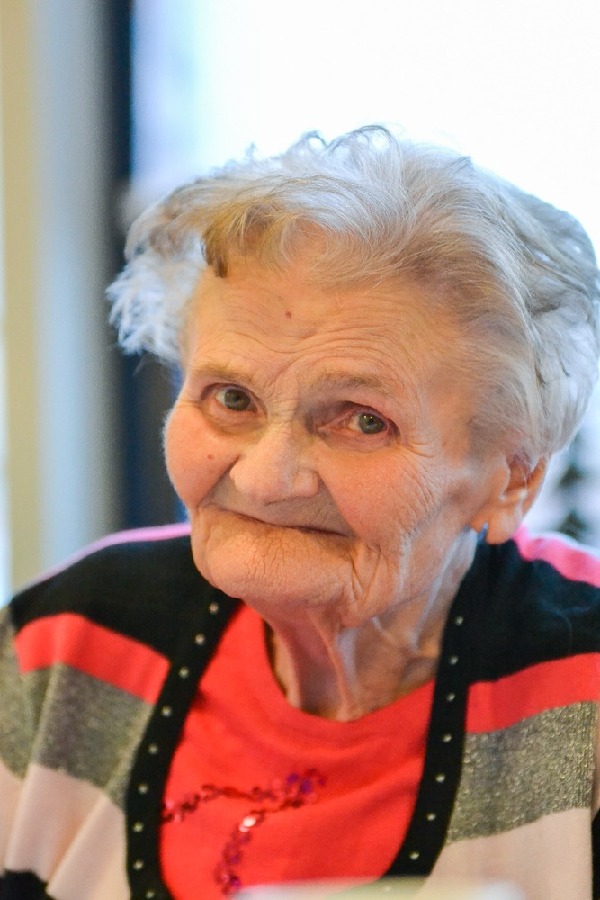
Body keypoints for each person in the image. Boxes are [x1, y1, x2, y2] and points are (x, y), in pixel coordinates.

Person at [1, 126, 599, 900]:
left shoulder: (583, 684)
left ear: (511, 479)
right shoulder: (69, 643)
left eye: (363, 420)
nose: (265, 479)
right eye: (231, 399)